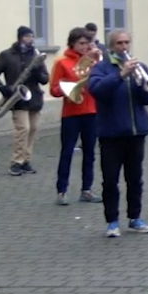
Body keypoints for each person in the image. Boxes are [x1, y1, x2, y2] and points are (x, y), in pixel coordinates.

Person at [88, 31, 148, 237]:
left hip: (136, 132)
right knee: (110, 180)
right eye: (119, 43)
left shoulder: (139, 66)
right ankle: (112, 222)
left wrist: (145, 86)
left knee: (135, 178)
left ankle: (135, 218)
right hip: (111, 133)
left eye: (127, 42)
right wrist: (120, 75)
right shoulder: (101, 68)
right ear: (111, 46)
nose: (124, 46)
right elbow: (97, 90)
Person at [48, 27, 104, 205]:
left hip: (91, 112)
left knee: (90, 153)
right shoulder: (62, 62)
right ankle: (62, 191)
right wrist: (70, 89)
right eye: (81, 43)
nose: (85, 46)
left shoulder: (94, 61)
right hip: (71, 113)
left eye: (87, 43)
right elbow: (54, 89)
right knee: (67, 152)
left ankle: (86, 189)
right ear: (72, 43)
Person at [0, 26, 49, 176]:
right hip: (17, 98)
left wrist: (37, 71)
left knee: (32, 129)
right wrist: (1, 87)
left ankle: (26, 160)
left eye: (32, 36)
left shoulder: (36, 55)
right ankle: (16, 162)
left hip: (34, 98)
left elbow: (45, 79)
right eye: (28, 36)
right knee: (23, 129)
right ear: (20, 37)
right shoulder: (7, 55)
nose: (31, 39)